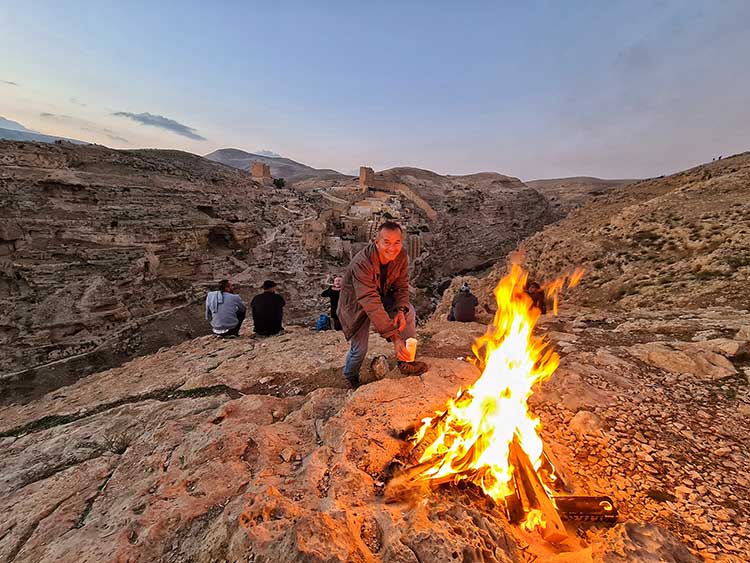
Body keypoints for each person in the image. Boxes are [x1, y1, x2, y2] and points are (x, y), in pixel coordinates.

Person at [337, 221, 428, 388]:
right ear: (375, 241)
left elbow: (402, 286)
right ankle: (350, 377)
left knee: (409, 312)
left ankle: (405, 360)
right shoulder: (362, 263)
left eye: (397, 242)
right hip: (358, 305)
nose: (392, 248)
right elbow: (369, 300)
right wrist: (394, 337)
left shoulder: (401, 256)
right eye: (386, 242)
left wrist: (400, 310)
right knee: (359, 349)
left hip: (383, 295)